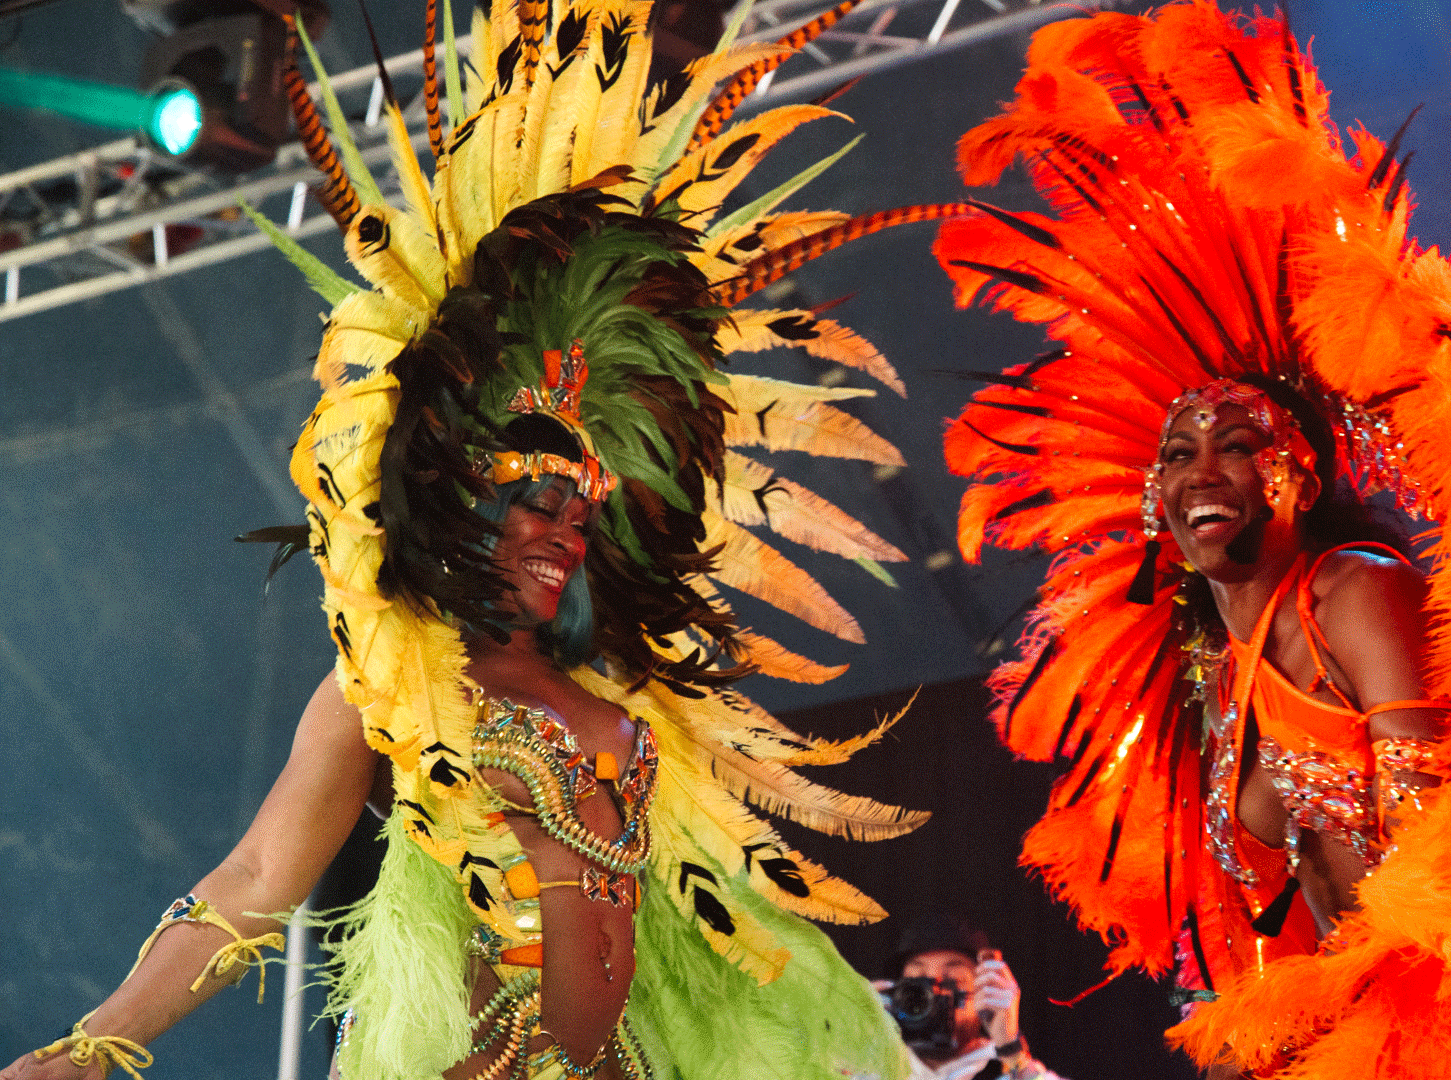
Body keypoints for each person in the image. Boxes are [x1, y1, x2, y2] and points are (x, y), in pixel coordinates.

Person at [1, 2, 961, 1078]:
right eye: (537, 501)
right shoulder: (389, 684)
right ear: (455, 488)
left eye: (582, 511)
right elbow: (259, 872)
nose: (565, 533)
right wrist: (100, 1043)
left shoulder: (627, 682)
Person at [931, 3, 1451, 1079]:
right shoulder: (1212, 679)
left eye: (1237, 444)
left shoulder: (1353, 592)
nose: (1201, 472)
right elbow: (1282, 930)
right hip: (1388, 1033)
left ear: (1303, 473)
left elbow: (1443, 877)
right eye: (1177, 454)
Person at [870, 919, 1069, 1080]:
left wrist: (1011, 1050)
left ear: (988, 992)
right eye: (918, 985)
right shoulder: (866, 1069)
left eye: (952, 982)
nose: (933, 997)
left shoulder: (1009, 1071)